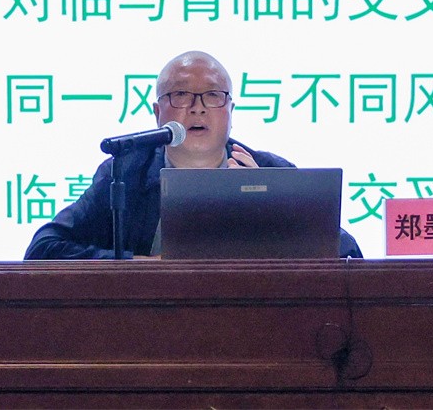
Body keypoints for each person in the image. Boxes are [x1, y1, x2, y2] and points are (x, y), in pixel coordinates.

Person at [24, 50, 363, 260]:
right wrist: (133, 265)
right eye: (181, 95)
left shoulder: (268, 172)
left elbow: (349, 255)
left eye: (213, 95)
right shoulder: (125, 173)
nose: (198, 108)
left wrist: (267, 209)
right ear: (157, 112)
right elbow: (43, 248)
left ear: (230, 111)